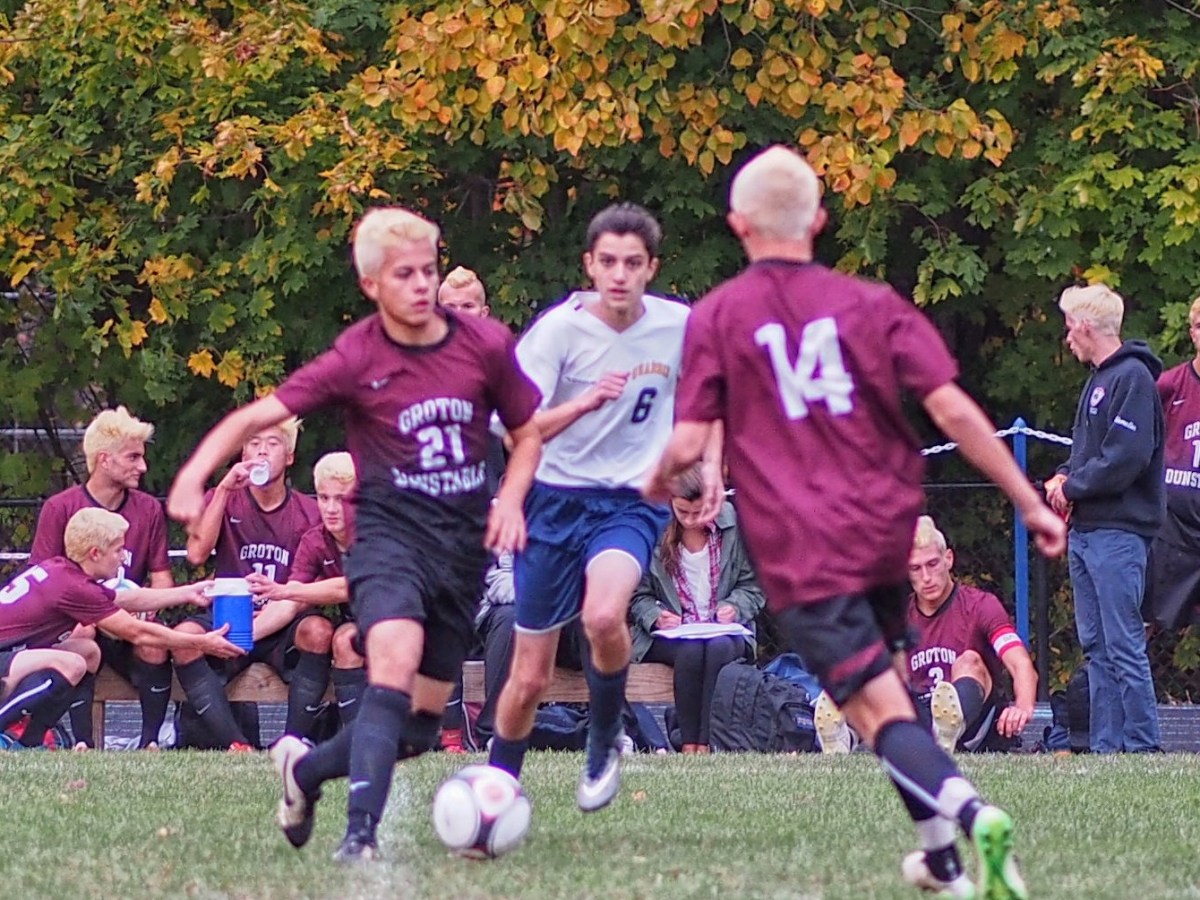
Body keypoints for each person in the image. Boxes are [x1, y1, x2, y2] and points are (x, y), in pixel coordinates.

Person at [644, 145, 1066, 900]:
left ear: (737, 224)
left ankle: (975, 814)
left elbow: (685, 444)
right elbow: (952, 409)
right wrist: (1027, 500)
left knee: (872, 713)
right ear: (820, 221)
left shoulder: (719, 314)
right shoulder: (873, 303)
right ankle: (940, 860)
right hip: (885, 531)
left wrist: (653, 482)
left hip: (805, 545)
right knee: (892, 694)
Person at [167, 206, 542, 862]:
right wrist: (194, 476)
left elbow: (529, 432)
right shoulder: (358, 354)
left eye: (427, 270)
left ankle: (305, 772)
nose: (422, 284)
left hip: (461, 554)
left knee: (417, 731)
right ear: (371, 284)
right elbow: (257, 415)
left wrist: (509, 499)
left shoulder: (485, 344)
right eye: (404, 274)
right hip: (389, 544)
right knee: (389, 671)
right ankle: (359, 837)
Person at [486, 202, 721, 814]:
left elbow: (713, 394)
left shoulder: (678, 325)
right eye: (609, 261)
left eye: (633, 263)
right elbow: (515, 431)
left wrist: (714, 466)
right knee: (529, 676)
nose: (620, 274)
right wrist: (584, 403)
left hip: (629, 501)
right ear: (589, 264)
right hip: (554, 502)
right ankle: (497, 787)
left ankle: (604, 737)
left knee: (603, 613)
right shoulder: (558, 333)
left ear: (651, 269)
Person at [1, 508, 242, 749]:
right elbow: (139, 632)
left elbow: (124, 599)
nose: (124, 558)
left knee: (87, 651)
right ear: (95, 553)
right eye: (118, 550)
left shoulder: (63, 570)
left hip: (10, 655)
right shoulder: (74, 587)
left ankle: (29, 743)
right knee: (71, 663)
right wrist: (201, 642)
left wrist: (187, 592)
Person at [1045, 283, 1165, 754]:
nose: (1066, 338)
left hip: (1119, 533)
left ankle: (1143, 745)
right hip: (1087, 531)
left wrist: (1072, 488)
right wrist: (1063, 475)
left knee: (1123, 643)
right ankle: (1106, 748)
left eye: (1068, 326)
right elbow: (1088, 452)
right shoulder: (1097, 381)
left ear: (1085, 326)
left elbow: (1125, 458)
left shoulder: (1133, 378)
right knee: (1095, 646)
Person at [170, 418, 322, 750]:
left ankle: (292, 742)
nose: (262, 451)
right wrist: (225, 489)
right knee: (184, 638)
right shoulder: (222, 497)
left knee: (319, 631)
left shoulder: (309, 512)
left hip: (282, 619)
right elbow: (196, 553)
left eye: (272, 443)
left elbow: (309, 591)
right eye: (254, 443)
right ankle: (237, 745)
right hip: (230, 614)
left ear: (290, 457)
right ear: (242, 454)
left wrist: (268, 615)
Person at [30, 406, 175, 749]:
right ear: (104, 460)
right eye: (133, 457)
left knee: (154, 641)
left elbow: (163, 578)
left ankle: (151, 743)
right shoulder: (60, 508)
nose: (143, 466)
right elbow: (40, 582)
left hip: (127, 619)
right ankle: (82, 743)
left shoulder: (148, 509)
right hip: (77, 623)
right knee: (84, 632)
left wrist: (148, 611)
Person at [629, 464, 764, 753]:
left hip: (724, 631)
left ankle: (707, 743)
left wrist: (735, 607)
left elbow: (753, 587)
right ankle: (689, 745)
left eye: (699, 512)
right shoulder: (654, 528)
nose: (691, 520)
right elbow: (637, 596)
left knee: (718, 648)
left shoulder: (734, 526)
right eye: (683, 512)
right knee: (691, 651)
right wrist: (655, 617)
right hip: (672, 635)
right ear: (670, 503)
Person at [248, 452, 365, 729]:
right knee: (338, 637)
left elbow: (348, 586)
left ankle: (451, 738)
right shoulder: (315, 540)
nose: (331, 508)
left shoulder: (378, 534)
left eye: (341, 499)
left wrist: (284, 591)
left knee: (347, 639)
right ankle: (296, 740)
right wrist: (240, 638)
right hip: (361, 628)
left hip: (408, 626)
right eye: (324, 498)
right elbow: (291, 599)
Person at [1144, 294, 1200, 631]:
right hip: (1172, 530)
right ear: (1192, 333)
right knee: (1143, 621)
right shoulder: (1169, 385)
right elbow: (1126, 434)